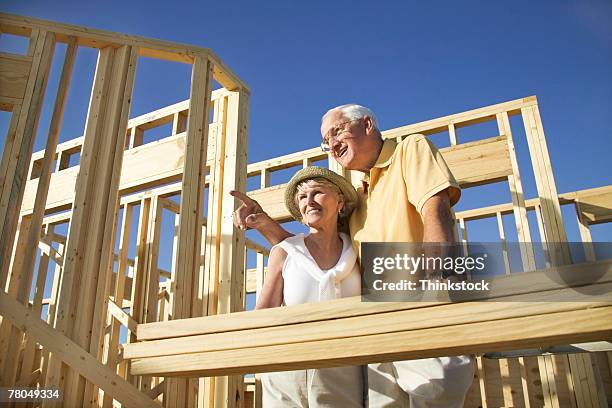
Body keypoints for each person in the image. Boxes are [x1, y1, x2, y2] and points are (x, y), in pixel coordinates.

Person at [231, 104, 474, 407]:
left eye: (337, 131)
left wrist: (437, 287)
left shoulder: (409, 150)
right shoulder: (357, 195)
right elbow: (308, 250)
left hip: (419, 302)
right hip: (374, 320)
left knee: (438, 391)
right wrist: (265, 224)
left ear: (368, 125)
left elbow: (435, 212)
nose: (332, 145)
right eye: (325, 141)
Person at [257, 166, 365, 408]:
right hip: (288, 374)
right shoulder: (284, 253)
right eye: (302, 197)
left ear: (339, 202)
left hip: (343, 373)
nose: (309, 202)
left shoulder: (357, 253)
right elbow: (263, 315)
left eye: (317, 192)